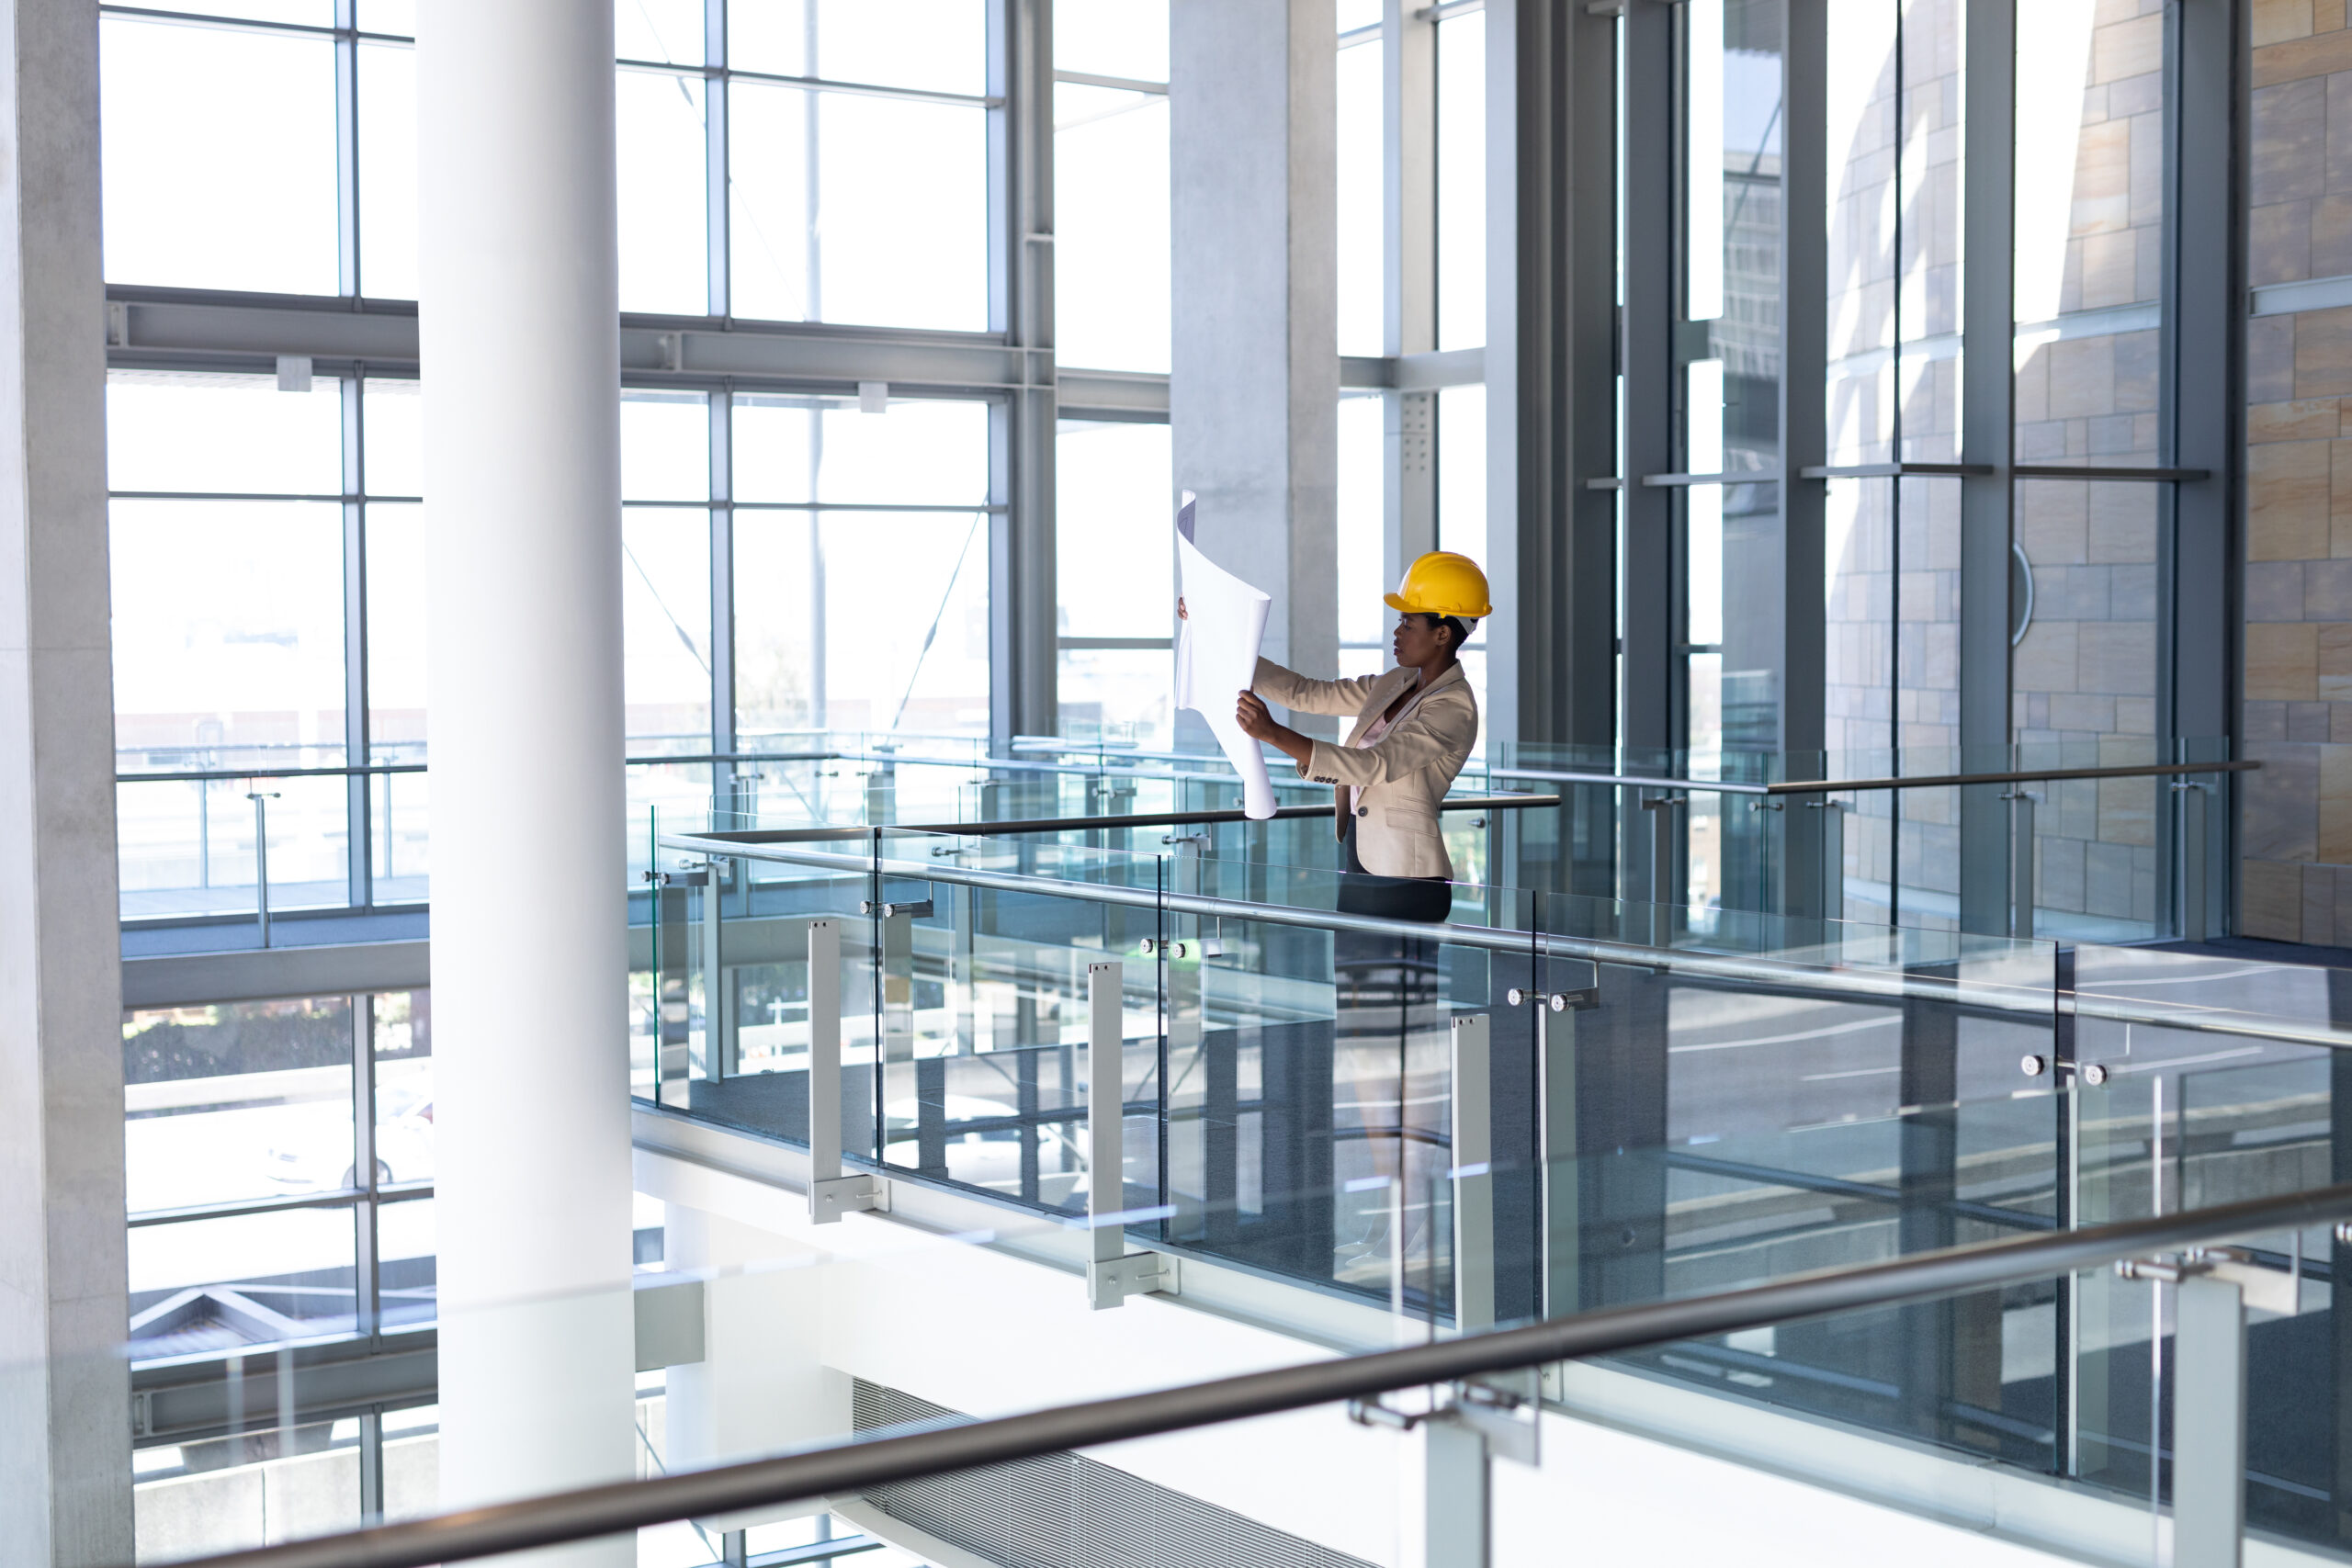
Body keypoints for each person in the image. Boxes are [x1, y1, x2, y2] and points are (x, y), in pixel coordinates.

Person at [1182, 550, 1490, 922]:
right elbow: (1304, 692)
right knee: (1354, 981)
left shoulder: (1453, 706)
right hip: (1362, 858)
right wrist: (1216, 633)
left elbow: (1373, 765)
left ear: (1442, 633)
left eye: (1408, 624)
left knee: (1385, 981)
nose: (1397, 631)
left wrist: (1274, 734)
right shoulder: (1396, 682)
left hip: (1407, 876)